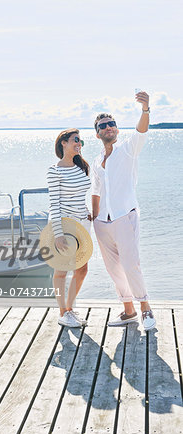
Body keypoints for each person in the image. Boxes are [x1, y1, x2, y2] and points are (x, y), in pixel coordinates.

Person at [91, 91, 156, 330]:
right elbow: (96, 190)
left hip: (125, 216)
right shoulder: (98, 161)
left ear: (117, 130)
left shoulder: (128, 149)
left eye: (111, 124)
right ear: (97, 133)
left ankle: (146, 309)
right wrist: (94, 218)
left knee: (131, 265)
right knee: (114, 269)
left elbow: (141, 131)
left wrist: (145, 110)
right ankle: (128, 310)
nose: (108, 127)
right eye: (103, 126)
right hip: (102, 222)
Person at [47, 129, 92, 327]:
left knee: (82, 269)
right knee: (61, 271)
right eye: (75, 140)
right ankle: (62, 312)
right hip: (64, 225)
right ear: (63, 143)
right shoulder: (54, 170)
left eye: (80, 140)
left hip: (82, 224)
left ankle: (70, 309)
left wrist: (87, 210)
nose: (79, 143)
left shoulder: (80, 166)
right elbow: (54, 203)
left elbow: (81, 194)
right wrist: (58, 234)